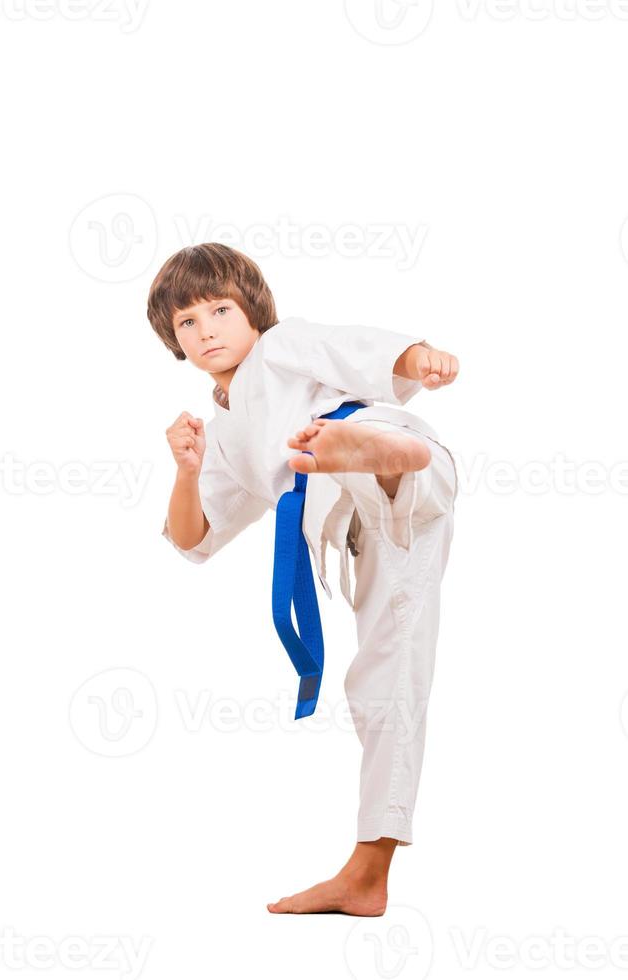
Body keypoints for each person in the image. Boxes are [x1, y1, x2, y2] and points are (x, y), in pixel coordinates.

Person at [147, 242, 460, 916]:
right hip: (361, 530)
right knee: (383, 677)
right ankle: (368, 874)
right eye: (187, 324)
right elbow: (193, 537)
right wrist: (187, 468)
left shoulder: (282, 347)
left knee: (349, 443)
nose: (206, 331)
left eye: (219, 310)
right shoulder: (225, 432)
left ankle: (367, 450)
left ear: (252, 311)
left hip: (395, 451)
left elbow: (351, 348)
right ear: (174, 343)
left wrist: (415, 357)